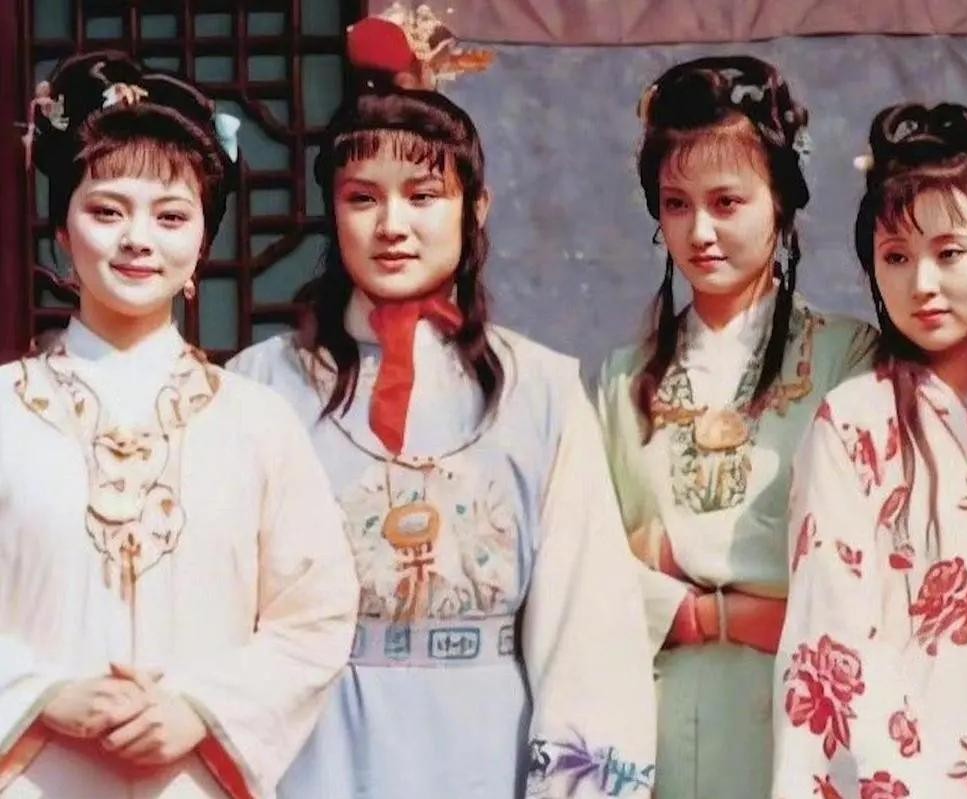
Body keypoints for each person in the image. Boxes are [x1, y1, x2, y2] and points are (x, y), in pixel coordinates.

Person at [228, 9, 656, 797]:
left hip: (489, 753)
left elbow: (586, 630)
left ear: (475, 207)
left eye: (424, 195)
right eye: (363, 197)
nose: (392, 225)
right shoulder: (260, 386)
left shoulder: (541, 390)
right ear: (333, 209)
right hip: (312, 755)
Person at [0, 51, 358, 797]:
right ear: (62, 232)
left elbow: (316, 614)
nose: (138, 239)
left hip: (194, 778)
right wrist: (41, 694)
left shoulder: (257, 423)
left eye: (170, 216)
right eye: (107, 211)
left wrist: (202, 707)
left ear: (201, 244)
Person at [594, 55, 875, 799]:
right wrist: (740, 602)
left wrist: (679, 574)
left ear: (780, 200)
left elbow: (854, 575)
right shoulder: (623, 381)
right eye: (676, 204)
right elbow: (593, 577)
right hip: (659, 726)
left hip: (804, 719)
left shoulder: (849, 359)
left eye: (726, 202)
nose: (700, 231)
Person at [771, 102, 967, 798]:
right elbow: (831, 647)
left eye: (949, 253)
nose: (921, 283)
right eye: (895, 257)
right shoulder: (852, 425)